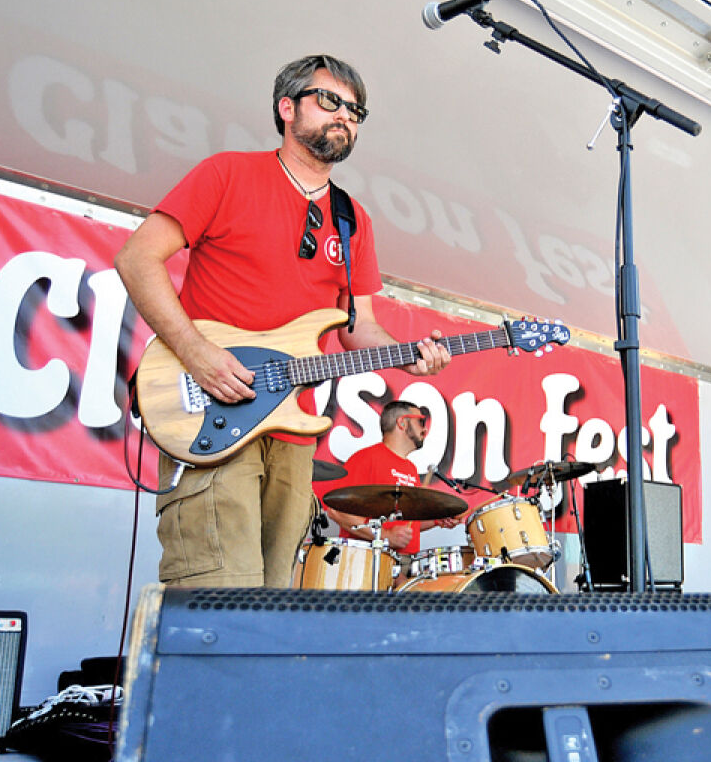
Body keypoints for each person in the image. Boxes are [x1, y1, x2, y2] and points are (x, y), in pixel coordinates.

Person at [114, 54, 451, 587]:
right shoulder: (228, 173)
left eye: (356, 110)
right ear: (287, 107)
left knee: (272, 599)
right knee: (216, 590)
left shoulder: (352, 218)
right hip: (216, 408)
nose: (345, 115)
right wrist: (197, 353)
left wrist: (413, 358)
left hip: (294, 429)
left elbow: (356, 327)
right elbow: (136, 259)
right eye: (330, 101)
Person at [320, 401, 462, 554]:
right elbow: (336, 510)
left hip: (405, 563)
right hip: (371, 563)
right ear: (402, 423)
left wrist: (436, 520)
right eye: (421, 421)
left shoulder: (411, 469)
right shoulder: (366, 458)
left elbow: (406, 525)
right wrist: (385, 536)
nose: (425, 428)